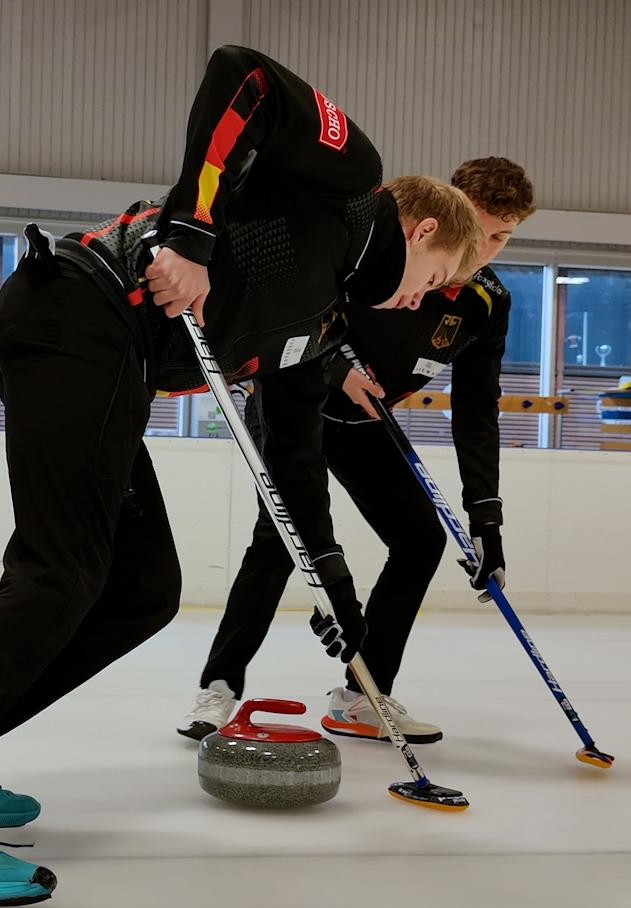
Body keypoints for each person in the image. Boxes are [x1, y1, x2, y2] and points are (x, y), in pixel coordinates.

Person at [0, 44, 481, 906]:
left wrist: (334, 583)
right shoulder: (349, 177)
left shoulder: (319, 324)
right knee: (59, 572)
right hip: (76, 308)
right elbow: (242, 75)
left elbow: (292, 460)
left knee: (143, 588)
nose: (420, 301)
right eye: (434, 281)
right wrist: (192, 237)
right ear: (422, 230)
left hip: (111, 360)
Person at [182, 158, 535, 746]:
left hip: (368, 424)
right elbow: (305, 303)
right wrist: (337, 364)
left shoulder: (485, 302)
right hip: (293, 400)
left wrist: (485, 517)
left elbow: (477, 411)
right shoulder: (381, 252)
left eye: (502, 237)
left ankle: (360, 696)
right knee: (281, 540)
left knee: (420, 539)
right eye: (480, 228)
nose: (487, 248)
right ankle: (219, 686)